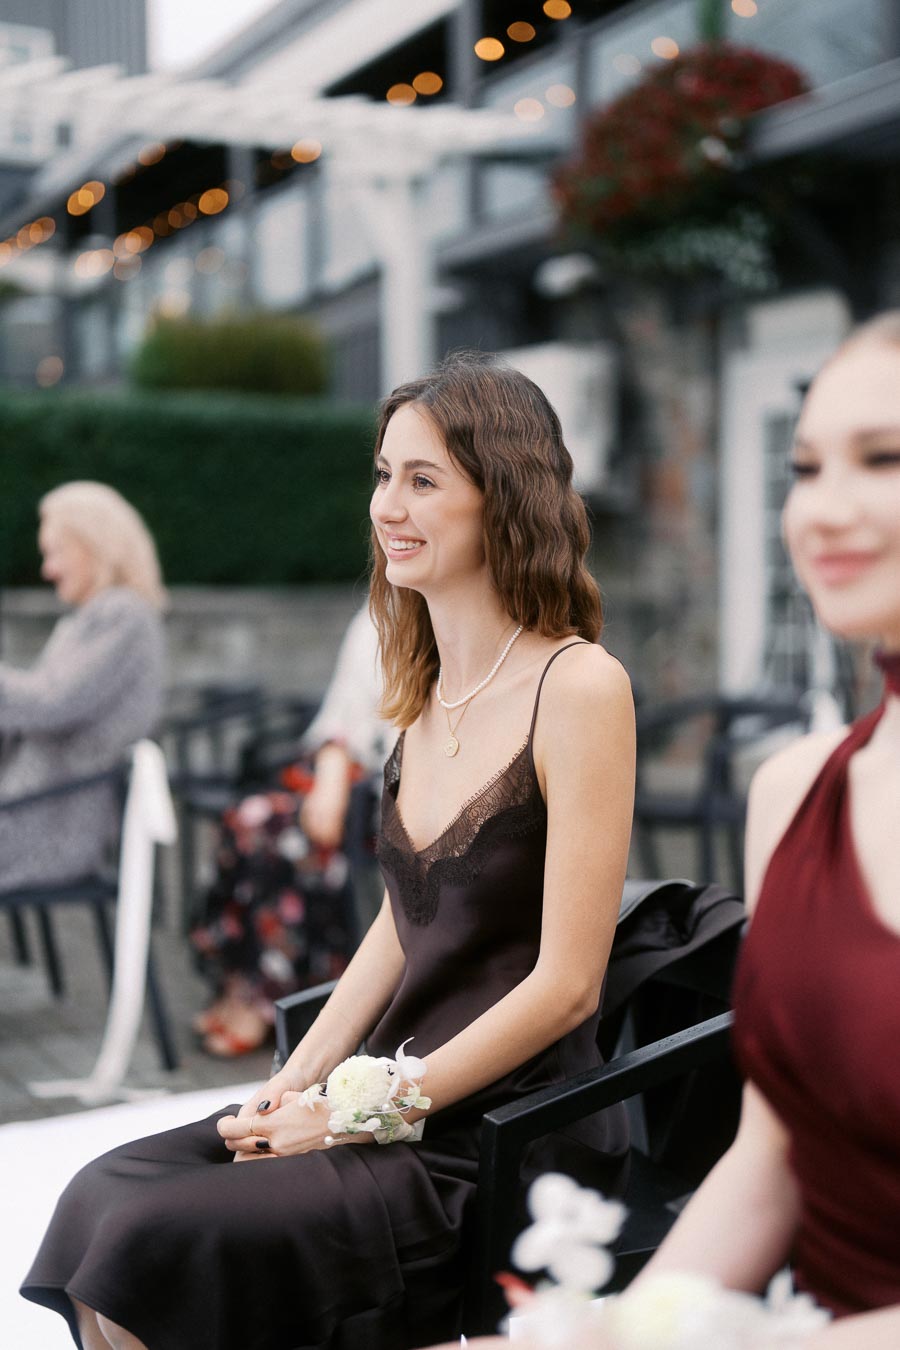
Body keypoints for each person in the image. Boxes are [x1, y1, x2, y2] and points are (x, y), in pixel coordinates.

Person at [20, 353, 636, 1350]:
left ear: (505, 496)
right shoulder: (426, 689)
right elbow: (404, 919)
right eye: (384, 474)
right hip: (387, 1092)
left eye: (424, 480)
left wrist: (358, 1114)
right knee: (103, 1195)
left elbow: (569, 986)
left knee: (152, 1249)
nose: (389, 504)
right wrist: (297, 1078)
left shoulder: (580, 686)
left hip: (497, 1134)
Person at [425, 314, 900, 1350]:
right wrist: (630, 1327)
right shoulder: (793, 792)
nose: (823, 509)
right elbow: (772, 1156)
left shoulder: (580, 685)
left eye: (884, 458)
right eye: (806, 466)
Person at [190, 601, 394, 1057]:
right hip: (346, 779)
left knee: (278, 836)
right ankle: (240, 984)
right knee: (246, 821)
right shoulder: (378, 613)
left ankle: (271, 998)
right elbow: (342, 713)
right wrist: (333, 765)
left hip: (390, 794)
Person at [0, 481, 166, 890]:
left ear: (97, 546)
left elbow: (51, 702)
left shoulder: (123, 617)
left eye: (55, 552)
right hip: (29, 811)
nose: (47, 570)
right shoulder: (94, 618)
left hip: (47, 825)